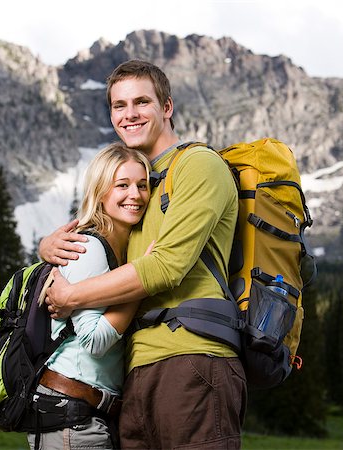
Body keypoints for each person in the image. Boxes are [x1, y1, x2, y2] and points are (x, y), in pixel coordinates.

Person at [40, 59, 247, 449]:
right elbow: (106, 245)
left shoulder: (198, 165)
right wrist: (48, 246)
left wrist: (71, 297)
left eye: (142, 102)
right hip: (137, 371)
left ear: (166, 107)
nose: (130, 114)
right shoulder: (140, 187)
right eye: (119, 105)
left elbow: (166, 266)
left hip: (192, 359)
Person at [28, 142, 151, 450]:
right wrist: (142, 280)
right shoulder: (89, 249)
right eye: (122, 185)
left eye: (142, 185)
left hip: (81, 415)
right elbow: (94, 341)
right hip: (71, 418)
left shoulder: (118, 247)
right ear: (100, 192)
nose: (135, 195)